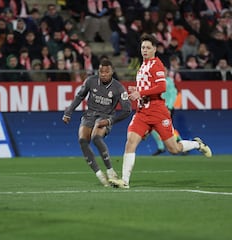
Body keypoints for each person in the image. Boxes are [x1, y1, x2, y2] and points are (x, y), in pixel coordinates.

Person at [111, 34, 212, 189]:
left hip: (158, 112)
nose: (144, 50)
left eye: (148, 48)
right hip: (142, 113)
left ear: (155, 49)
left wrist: (140, 93)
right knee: (130, 142)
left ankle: (197, 145)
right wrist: (137, 90)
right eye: (143, 47)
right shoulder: (142, 66)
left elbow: (161, 87)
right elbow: (147, 87)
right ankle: (125, 181)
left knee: (174, 149)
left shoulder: (157, 65)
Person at [62, 59, 132, 187]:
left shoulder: (119, 88)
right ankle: (99, 174)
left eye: (107, 71)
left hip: (105, 117)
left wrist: (110, 121)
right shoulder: (91, 81)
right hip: (89, 115)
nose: (103, 74)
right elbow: (80, 96)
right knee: (82, 140)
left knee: (96, 137)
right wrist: (69, 111)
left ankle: (110, 171)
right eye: (101, 71)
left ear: (112, 72)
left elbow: (127, 110)